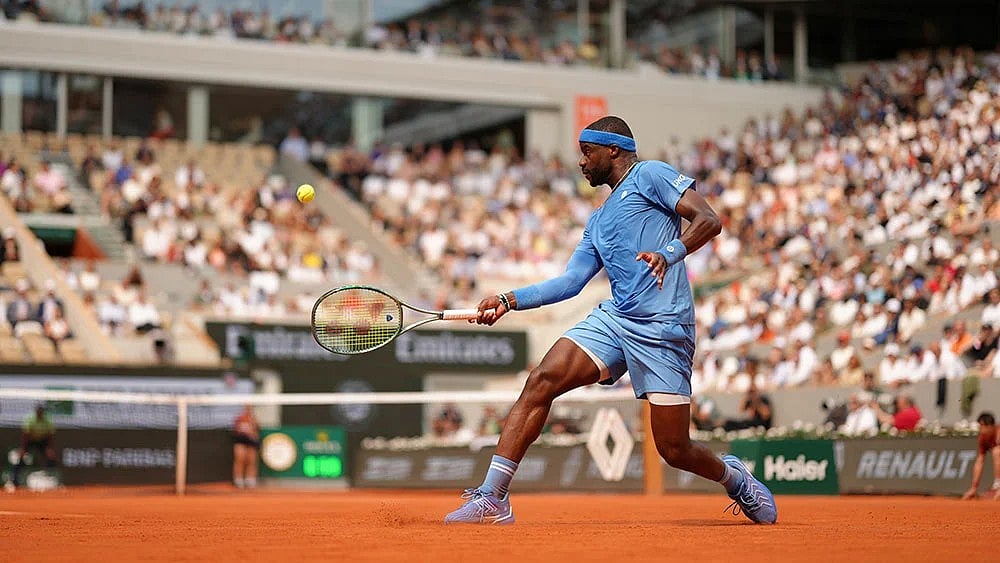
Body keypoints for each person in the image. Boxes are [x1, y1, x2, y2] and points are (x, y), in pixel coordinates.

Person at [443, 116, 776, 525]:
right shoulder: (597, 221)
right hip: (617, 319)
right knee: (541, 380)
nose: (581, 162)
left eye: (587, 152)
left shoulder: (650, 175)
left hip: (664, 326)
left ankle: (734, 477)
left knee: (674, 449)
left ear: (613, 150)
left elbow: (709, 220)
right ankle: (493, 497)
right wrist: (509, 300)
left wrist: (668, 253)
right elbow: (570, 283)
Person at [9, 405, 58, 491]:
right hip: (30, 441)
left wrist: (49, 449)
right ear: (36, 412)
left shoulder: (48, 420)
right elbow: (25, 435)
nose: (39, 413)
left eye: (41, 412)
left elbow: (50, 436)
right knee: (21, 459)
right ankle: (15, 482)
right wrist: (23, 449)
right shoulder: (30, 419)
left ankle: (54, 481)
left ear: (43, 413)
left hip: (42, 441)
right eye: (38, 412)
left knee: (51, 458)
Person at [962, 412, 1000, 500]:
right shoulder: (983, 438)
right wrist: (973, 487)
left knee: (997, 451)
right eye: (980, 426)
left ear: (991, 426)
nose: (980, 430)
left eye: (982, 426)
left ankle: (998, 485)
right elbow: (980, 461)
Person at [231, 405, 260, 489]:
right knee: (240, 459)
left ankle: (250, 480)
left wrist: (253, 434)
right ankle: (238, 480)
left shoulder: (253, 419)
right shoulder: (239, 418)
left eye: (250, 407)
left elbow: (256, 431)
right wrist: (244, 432)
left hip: (251, 442)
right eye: (246, 407)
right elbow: (235, 430)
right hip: (241, 440)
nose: (248, 409)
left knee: (251, 460)